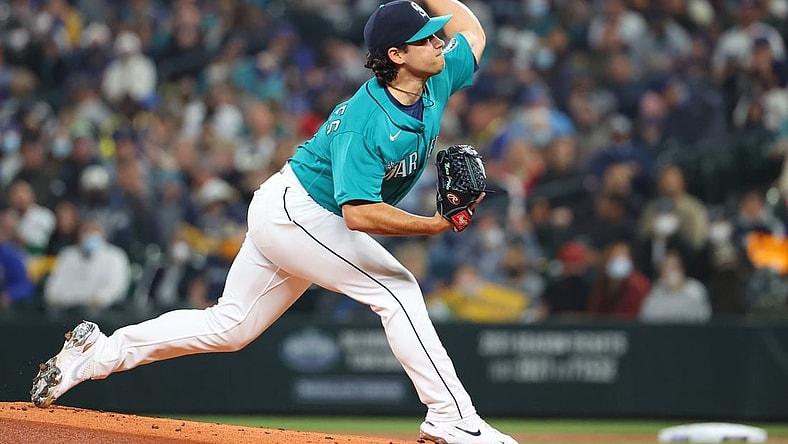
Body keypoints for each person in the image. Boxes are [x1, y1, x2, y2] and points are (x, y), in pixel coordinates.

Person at [31, 2, 518, 444]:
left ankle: (93, 354)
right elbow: (359, 214)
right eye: (427, 38)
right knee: (396, 290)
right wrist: (433, 225)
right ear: (396, 54)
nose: (440, 42)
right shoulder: (366, 119)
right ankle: (451, 416)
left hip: (292, 210)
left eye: (436, 35)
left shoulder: (436, 76)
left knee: (231, 327)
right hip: (302, 213)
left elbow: (472, 30)